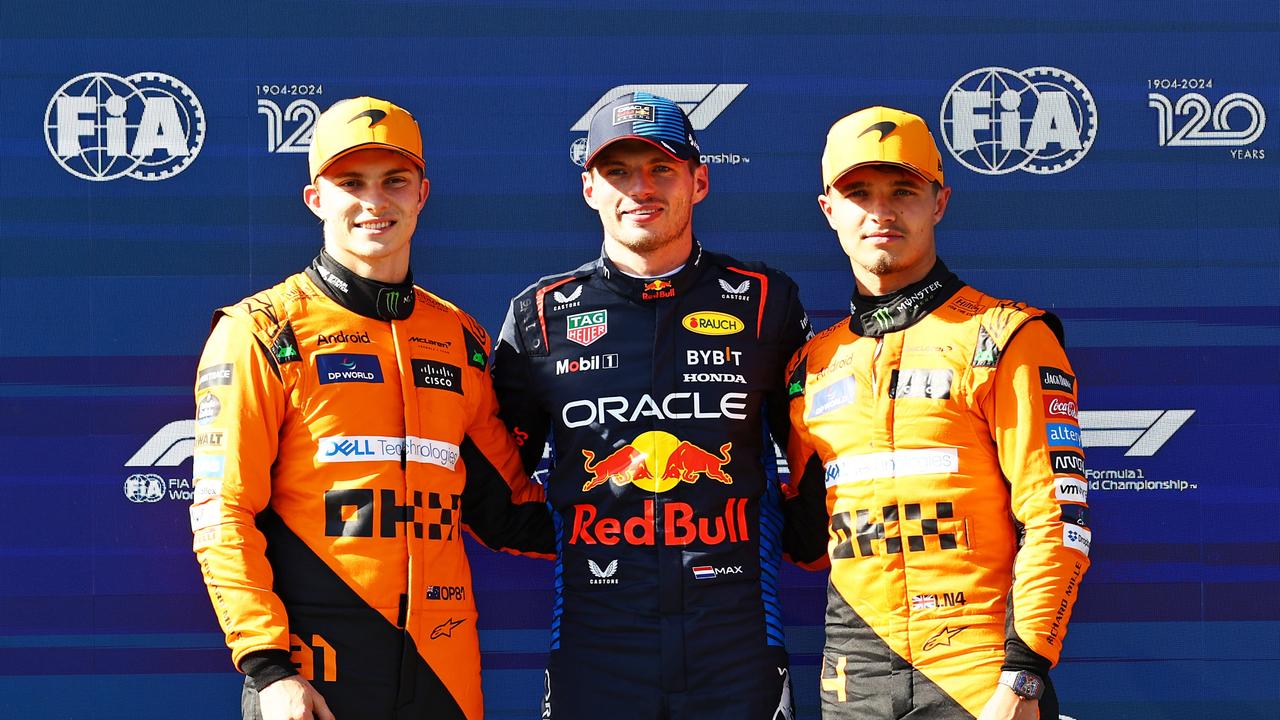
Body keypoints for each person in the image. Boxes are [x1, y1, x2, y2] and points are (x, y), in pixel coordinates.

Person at [190, 96, 554, 720]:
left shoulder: (460, 338)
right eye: (350, 183)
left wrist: (644, 515)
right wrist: (267, 666)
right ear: (316, 200)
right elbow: (224, 511)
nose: (374, 202)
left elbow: (505, 510)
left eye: (395, 182)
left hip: (444, 665)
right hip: (314, 670)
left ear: (422, 194)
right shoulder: (264, 330)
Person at [490, 92, 822, 719]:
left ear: (699, 181)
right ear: (589, 187)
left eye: (661, 169)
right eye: (618, 171)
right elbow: (495, 484)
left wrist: (783, 536)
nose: (639, 189)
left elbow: (815, 458)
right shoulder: (540, 313)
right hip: (598, 643)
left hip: (738, 641)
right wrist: (587, 532)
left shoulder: (765, 301)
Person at [784, 106, 1091, 720]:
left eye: (904, 190)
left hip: (979, 674)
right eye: (858, 193)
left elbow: (1057, 522)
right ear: (829, 211)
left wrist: (1024, 677)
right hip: (854, 678)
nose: (881, 211)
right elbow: (809, 543)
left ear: (939, 202)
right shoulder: (810, 366)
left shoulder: (1008, 336)